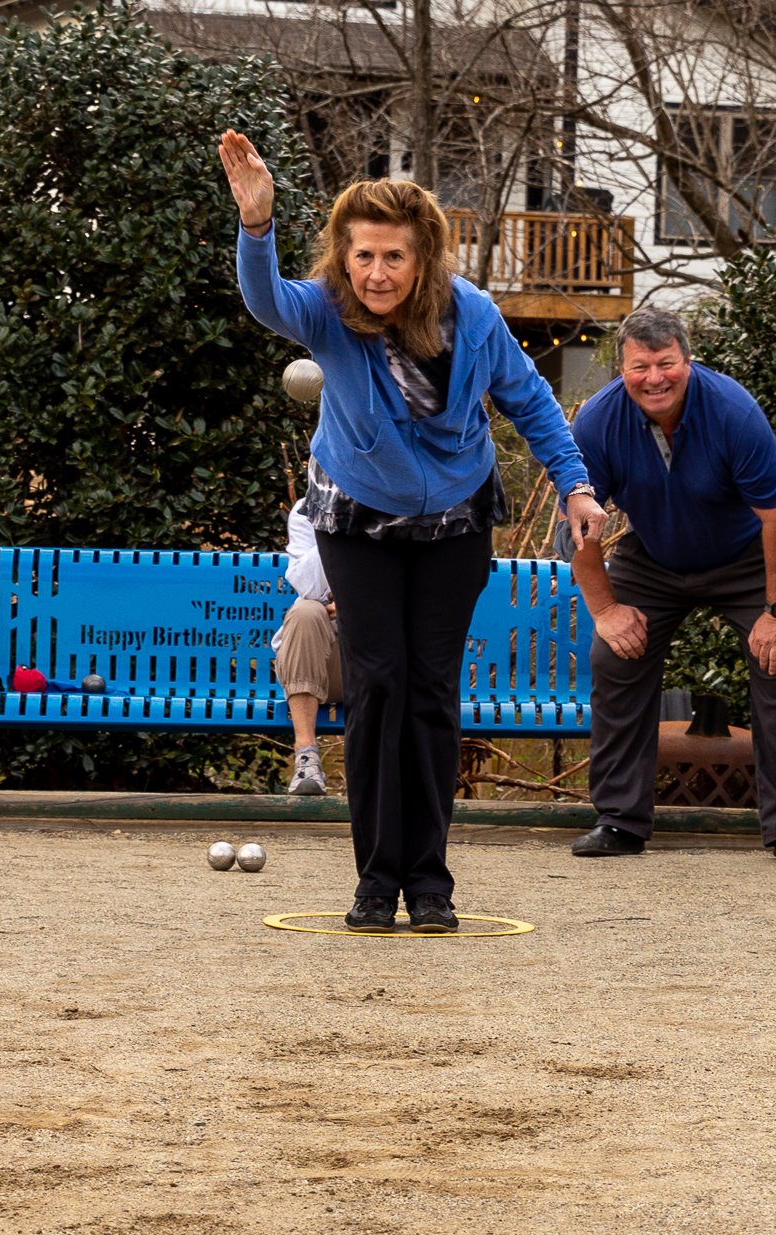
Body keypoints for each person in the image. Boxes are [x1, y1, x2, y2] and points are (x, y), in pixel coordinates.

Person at [219, 131, 605, 929]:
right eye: (363, 256)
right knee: (378, 686)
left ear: (423, 257)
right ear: (345, 257)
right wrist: (256, 227)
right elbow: (266, 303)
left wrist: (574, 485)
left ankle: (429, 881)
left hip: (454, 522)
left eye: (393, 257)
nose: (377, 273)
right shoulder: (328, 309)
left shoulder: (473, 316)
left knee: (430, 691)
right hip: (358, 521)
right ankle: (374, 879)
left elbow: (531, 401)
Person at [567, 308, 776, 866]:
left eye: (666, 363)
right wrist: (606, 609)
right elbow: (582, 524)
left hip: (744, 556)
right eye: (640, 366)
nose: (654, 378)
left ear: (687, 361)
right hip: (655, 554)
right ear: (621, 369)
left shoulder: (734, 412)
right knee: (614, 658)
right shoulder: (596, 421)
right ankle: (619, 820)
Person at [275, 499, 340, 796]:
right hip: (322, 666)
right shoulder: (307, 510)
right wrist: (334, 523)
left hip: (379, 658)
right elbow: (310, 588)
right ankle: (306, 757)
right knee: (305, 611)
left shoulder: (394, 504)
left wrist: (356, 602)